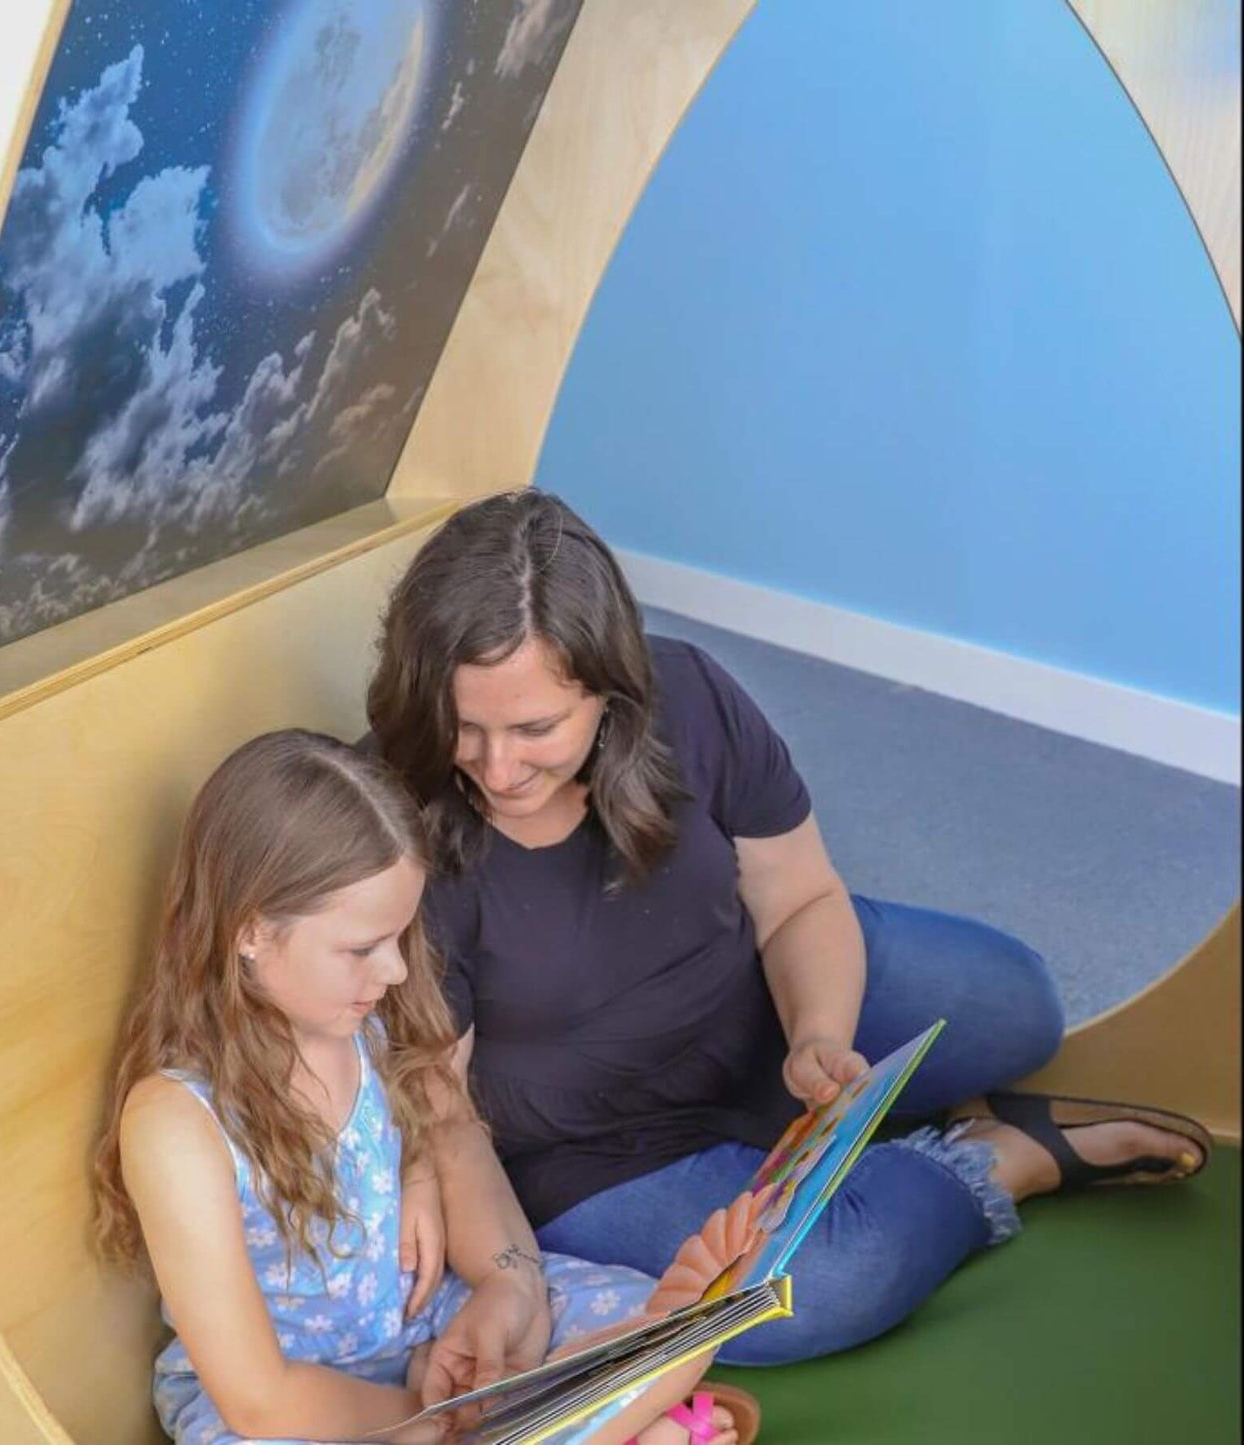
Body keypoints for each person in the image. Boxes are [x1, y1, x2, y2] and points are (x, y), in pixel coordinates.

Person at [365, 489, 1211, 1367]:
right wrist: (505, 1272)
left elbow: (799, 893)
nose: (497, 767)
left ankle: (850, 1135)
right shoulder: (395, 818)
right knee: (813, 1291)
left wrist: (818, 1032)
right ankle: (990, 1159)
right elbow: (442, 1106)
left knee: (1018, 1003)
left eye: (536, 728)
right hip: (596, 1146)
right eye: (464, 727)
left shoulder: (687, 691)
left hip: (747, 1007)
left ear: (610, 690)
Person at [92, 729, 753, 1445]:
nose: (397, 972)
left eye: (399, 938)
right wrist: (428, 1421)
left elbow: (449, 1142)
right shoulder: (176, 1121)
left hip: (420, 1337)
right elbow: (258, 1399)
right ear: (250, 930)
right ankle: (608, 1419)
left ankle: (610, 1393)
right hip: (294, 1404)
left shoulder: (368, 1024)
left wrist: (496, 1285)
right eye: (361, 948)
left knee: (624, 1308)